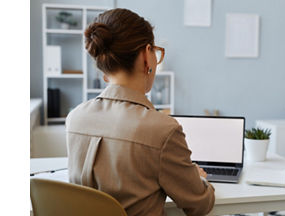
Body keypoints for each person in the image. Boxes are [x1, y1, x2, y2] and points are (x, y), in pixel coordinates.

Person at [65, 8, 215, 216]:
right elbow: (200, 204)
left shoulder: (75, 118)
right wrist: (199, 179)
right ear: (147, 55)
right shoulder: (163, 130)